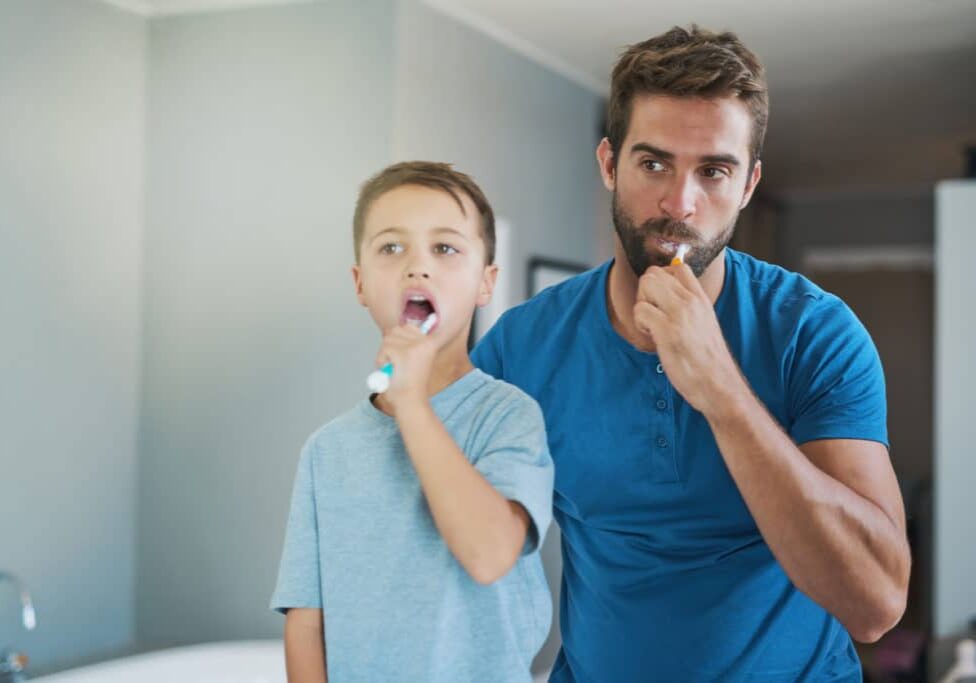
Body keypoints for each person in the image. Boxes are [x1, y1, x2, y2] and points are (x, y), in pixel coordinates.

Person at [472, 25, 911, 682]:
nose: (681, 204)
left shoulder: (816, 335)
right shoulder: (521, 345)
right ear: (609, 164)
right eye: (654, 164)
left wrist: (720, 389)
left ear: (749, 184)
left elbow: (875, 604)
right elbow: (448, 540)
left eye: (713, 171)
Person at [271, 161, 554, 682]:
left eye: (445, 248)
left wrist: (414, 408)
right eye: (391, 247)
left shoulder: (509, 417)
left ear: (485, 282)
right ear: (359, 283)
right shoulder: (325, 451)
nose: (416, 268)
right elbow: (306, 625)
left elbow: (490, 556)